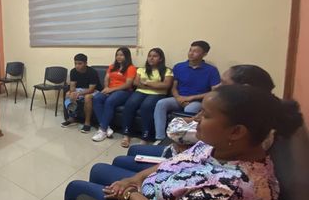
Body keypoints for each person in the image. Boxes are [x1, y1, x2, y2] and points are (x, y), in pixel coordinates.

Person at [54, 84, 303, 200]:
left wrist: (131, 194)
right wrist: (137, 178)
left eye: (206, 115)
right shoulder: (222, 146)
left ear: (236, 131)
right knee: (100, 170)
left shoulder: (234, 188)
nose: (196, 118)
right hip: (156, 192)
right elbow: (178, 161)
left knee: (76, 189)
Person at [114, 64, 276, 172]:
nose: (217, 87)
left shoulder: (243, 122)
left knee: (119, 161)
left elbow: (176, 132)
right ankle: (158, 138)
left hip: (185, 164)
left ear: (244, 89)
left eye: (224, 83)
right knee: (133, 150)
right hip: (188, 155)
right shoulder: (251, 113)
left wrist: (190, 123)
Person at [153, 40, 220, 141]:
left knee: (190, 109)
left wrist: (190, 98)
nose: (191, 53)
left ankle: (184, 140)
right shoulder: (179, 66)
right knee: (161, 103)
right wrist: (178, 98)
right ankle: (160, 138)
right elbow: (174, 87)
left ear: (204, 54)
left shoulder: (211, 70)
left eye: (195, 51)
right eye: (190, 50)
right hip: (179, 98)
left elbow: (214, 92)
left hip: (197, 101)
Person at [120, 48, 173, 148]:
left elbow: (166, 85)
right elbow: (136, 82)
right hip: (141, 91)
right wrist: (155, 85)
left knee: (146, 106)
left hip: (158, 94)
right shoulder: (142, 69)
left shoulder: (167, 71)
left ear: (161, 59)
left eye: (154, 56)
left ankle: (145, 137)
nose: (151, 58)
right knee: (130, 104)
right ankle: (126, 134)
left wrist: (147, 83)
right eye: (149, 56)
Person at [91, 48, 136, 142]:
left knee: (110, 101)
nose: (118, 57)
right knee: (97, 98)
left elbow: (128, 84)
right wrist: (106, 88)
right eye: (117, 55)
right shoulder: (112, 66)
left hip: (124, 91)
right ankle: (106, 126)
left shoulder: (131, 68)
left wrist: (111, 90)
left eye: (121, 55)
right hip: (110, 89)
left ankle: (103, 130)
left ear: (126, 56)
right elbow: (106, 78)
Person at [61, 53, 101, 133]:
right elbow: (72, 86)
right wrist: (73, 93)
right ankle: (71, 118)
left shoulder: (92, 72)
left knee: (87, 97)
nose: (77, 66)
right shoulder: (73, 71)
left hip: (94, 90)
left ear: (85, 63)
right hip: (80, 89)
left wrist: (79, 94)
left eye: (80, 64)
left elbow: (91, 89)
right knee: (68, 94)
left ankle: (87, 123)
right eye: (75, 63)